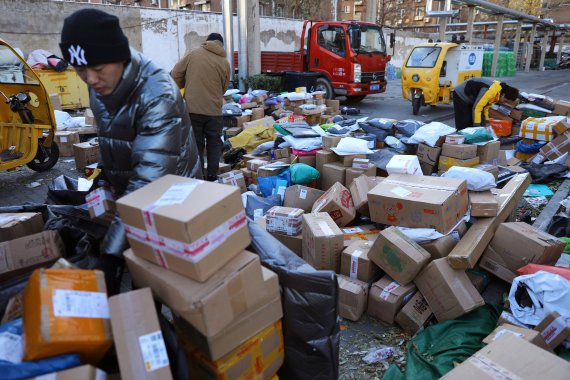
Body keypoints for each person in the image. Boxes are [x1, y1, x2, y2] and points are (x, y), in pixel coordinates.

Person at [59, 8, 202, 294]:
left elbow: (150, 182)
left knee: (157, 283)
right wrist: (102, 180)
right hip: (133, 198)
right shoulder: (99, 83)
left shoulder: (156, 93)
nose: (89, 79)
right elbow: (113, 138)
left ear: (120, 57)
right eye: (80, 71)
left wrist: (111, 254)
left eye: (98, 69)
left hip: (171, 200)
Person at [171, 33, 231, 181]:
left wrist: (184, 86)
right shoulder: (225, 62)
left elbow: (175, 73)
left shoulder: (193, 54)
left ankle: (197, 175)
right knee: (214, 143)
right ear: (221, 45)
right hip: (214, 111)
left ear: (207, 41)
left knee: (195, 143)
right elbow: (224, 88)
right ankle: (211, 174)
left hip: (193, 109)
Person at [452, 78, 519, 130]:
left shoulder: (497, 93)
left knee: (471, 121)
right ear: (504, 95)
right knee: (464, 123)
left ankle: (469, 142)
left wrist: (487, 122)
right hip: (461, 94)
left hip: (471, 97)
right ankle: (459, 143)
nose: (503, 102)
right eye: (505, 100)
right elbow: (477, 108)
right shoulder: (491, 91)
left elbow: (486, 108)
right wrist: (477, 126)